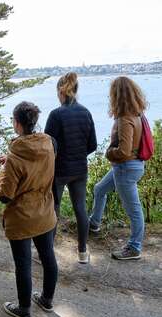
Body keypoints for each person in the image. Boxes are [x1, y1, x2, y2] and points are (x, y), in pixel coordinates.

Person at [0, 101, 58, 317]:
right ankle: (47, 300)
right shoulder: (49, 142)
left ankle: (23, 309)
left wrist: (1, 172)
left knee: (23, 263)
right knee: (48, 257)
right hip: (46, 211)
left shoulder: (15, 155)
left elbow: (5, 195)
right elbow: (34, 166)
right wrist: (9, 161)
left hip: (22, 217)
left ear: (17, 124)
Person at [89, 77, 146, 260]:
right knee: (99, 189)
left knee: (134, 211)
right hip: (130, 166)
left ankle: (134, 248)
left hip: (125, 168)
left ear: (117, 94)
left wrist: (108, 153)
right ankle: (94, 223)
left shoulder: (125, 118)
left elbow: (123, 151)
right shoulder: (137, 114)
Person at [44, 72, 97, 264]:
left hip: (59, 171)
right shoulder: (86, 112)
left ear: (61, 91)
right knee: (80, 209)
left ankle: (48, 254)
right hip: (80, 170)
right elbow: (93, 145)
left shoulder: (56, 114)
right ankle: (82, 253)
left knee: (53, 210)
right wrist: (78, 155)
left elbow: (47, 145)